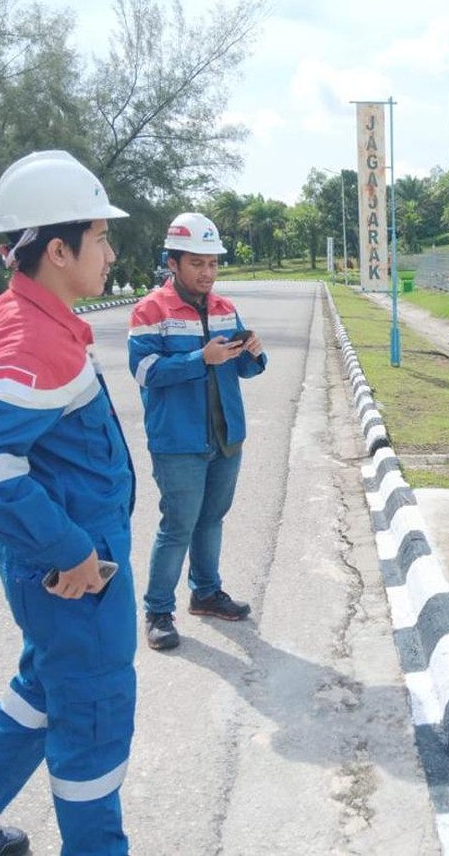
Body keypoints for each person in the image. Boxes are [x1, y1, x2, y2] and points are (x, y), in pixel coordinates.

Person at [0, 151, 137, 856]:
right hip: (74, 569)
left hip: (63, 558)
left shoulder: (32, 315)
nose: (110, 251)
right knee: (94, 712)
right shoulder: (32, 332)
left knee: (46, 682)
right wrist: (73, 550)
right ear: (59, 248)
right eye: (100, 238)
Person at [128, 212, 267, 651]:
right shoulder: (151, 310)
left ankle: (206, 592)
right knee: (178, 525)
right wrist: (198, 360)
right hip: (178, 442)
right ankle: (158, 611)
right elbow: (145, 371)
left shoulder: (226, 309)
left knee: (212, 519)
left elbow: (241, 369)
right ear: (173, 263)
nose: (207, 273)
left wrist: (253, 355)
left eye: (212, 264)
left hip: (226, 436)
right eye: (196, 263)